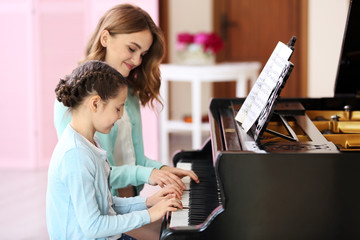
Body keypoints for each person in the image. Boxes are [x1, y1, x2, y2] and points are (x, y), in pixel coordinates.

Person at [54, 3, 199, 196]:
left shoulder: (127, 92)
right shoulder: (75, 95)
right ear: (105, 38)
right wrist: (150, 175)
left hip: (128, 203)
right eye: (132, 49)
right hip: (103, 211)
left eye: (143, 54)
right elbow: (94, 172)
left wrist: (164, 170)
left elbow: (135, 160)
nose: (138, 60)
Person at [47, 60, 182, 240]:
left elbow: (106, 205)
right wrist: (150, 214)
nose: (120, 116)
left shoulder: (91, 142)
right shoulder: (76, 156)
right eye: (118, 108)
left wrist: (149, 201)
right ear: (95, 104)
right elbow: (94, 227)